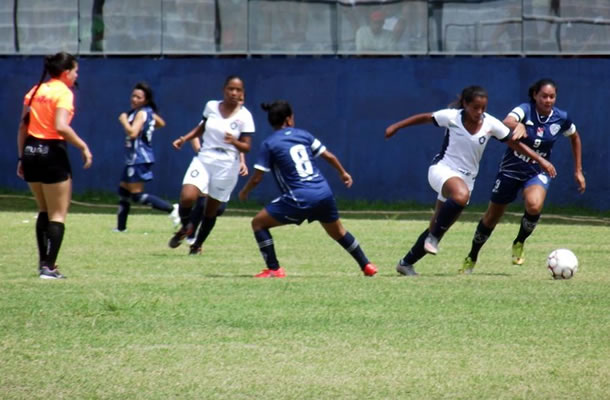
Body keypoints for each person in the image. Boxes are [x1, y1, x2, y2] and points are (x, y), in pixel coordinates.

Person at [384, 85, 555, 277]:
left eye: (483, 108)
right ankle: (433, 238)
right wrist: (396, 127)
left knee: (440, 222)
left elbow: (515, 143)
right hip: (442, 169)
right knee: (459, 197)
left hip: (466, 179)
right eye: (475, 107)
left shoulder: (490, 123)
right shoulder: (451, 117)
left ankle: (406, 263)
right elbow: (424, 117)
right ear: (465, 104)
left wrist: (540, 160)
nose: (479, 112)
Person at [239, 100, 378, 278]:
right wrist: (343, 173)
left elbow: (258, 177)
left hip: (300, 196)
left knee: (257, 223)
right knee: (339, 233)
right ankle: (366, 265)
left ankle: (274, 269)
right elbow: (328, 155)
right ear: (289, 119)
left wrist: (245, 191)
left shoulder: (269, 143)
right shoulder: (303, 135)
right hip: (323, 192)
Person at [461, 79, 585, 274]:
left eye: (552, 96)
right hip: (511, 170)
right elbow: (507, 122)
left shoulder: (561, 118)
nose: (548, 100)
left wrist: (578, 170)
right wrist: (518, 124)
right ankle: (472, 256)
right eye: (544, 96)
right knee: (492, 216)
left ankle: (519, 241)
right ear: (535, 95)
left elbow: (575, 137)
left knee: (534, 205)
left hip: (537, 171)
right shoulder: (525, 109)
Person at [16, 52, 93, 279]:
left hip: (31, 150)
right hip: (52, 151)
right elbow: (61, 126)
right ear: (66, 72)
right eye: (75, 70)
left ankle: (43, 264)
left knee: (43, 209)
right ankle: (49, 267)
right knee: (58, 214)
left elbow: (22, 126)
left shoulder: (35, 89)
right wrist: (83, 147)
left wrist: (22, 157)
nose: (76, 75)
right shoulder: (63, 93)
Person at [169, 75, 254, 254]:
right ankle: (186, 227)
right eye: (231, 88)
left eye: (238, 90)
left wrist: (234, 142)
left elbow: (246, 147)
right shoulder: (211, 106)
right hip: (205, 156)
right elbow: (202, 128)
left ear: (242, 93)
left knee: (211, 209)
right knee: (187, 196)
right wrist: (185, 138)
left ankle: (197, 244)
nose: (234, 92)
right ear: (224, 89)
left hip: (227, 164)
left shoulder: (245, 116)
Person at [115, 82, 179, 232]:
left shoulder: (141, 113)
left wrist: (124, 120)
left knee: (136, 195)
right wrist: (148, 125)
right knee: (123, 191)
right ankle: (120, 228)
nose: (134, 99)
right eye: (133, 96)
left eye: (139, 97)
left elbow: (132, 133)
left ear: (145, 100)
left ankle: (171, 209)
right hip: (133, 158)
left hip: (139, 157)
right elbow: (161, 123)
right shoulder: (144, 112)